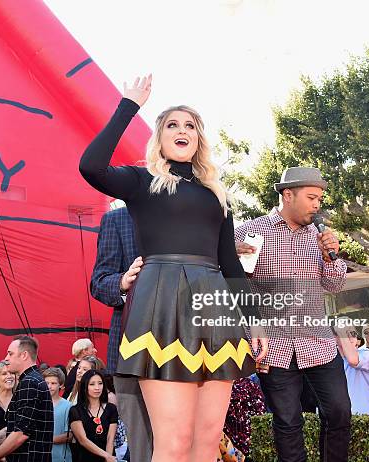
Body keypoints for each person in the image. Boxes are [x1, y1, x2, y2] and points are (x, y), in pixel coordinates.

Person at [79, 75, 267, 462]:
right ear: (159, 137)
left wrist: (257, 322)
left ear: (199, 139)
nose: (182, 130)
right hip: (160, 307)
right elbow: (91, 166)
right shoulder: (141, 181)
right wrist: (128, 106)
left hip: (216, 309)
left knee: (207, 439)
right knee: (174, 442)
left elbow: (230, 264)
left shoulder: (218, 194)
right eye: (172, 125)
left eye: (190, 125)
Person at [234, 166, 350, 461]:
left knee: (338, 412)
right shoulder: (251, 232)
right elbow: (237, 287)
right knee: (287, 422)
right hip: (273, 347)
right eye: (312, 197)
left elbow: (334, 286)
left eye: (320, 199)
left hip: (318, 344)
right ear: (288, 195)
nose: (317, 205)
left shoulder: (320, 238)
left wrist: (331, 259)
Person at [90, 205, 152, 462]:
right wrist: (123, 283)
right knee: (141, 444)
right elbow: (99, 281)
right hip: (131, 350)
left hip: (185, 347)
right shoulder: (118, 220)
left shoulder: (189, 213)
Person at [0, 336, 53, 462]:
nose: (6, 358)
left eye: (10, 354)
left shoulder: (29, 382)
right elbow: (14, 428)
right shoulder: (31, 380)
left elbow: (20, 434)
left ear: (24, 355)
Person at [68, 370, 118, 462]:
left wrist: (108, 457)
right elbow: (83, 440)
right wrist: (106, 456)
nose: (97, 388)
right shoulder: (75, 410)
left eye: (100, 383)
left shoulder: (111, 408)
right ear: (84, 387)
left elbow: (110, 439)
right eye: (92, 384)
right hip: (84, 457)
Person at [336, 326, 369, 415]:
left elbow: (353, 360)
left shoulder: (366, 354)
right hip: (339, 420)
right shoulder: (330, 361)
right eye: (345, 334)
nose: (351, 337)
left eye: (353, 334)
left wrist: (341, 332)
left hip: (367, 418)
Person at [43, 368, 72, 462]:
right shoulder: (37, 404)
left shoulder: (68, 406)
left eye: (53, 383)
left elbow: (70, 435)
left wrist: (43, 439)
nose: (49, 386)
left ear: (61, 385)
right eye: (46, 383)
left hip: (60, 458)